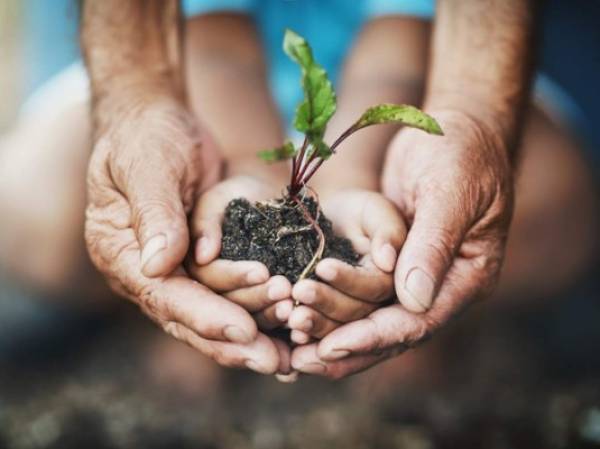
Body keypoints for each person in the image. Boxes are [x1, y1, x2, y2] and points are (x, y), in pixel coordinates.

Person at [0, 0, 597, 382]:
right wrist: (240, 172)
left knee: (552, 206)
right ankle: (156, 313)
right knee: (38, 206)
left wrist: (350, 180)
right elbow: (214, 47)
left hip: (408, 99)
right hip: (194, 91)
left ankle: (429, 325)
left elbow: (394, 58)